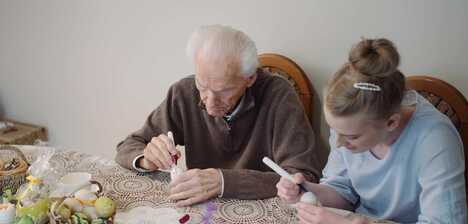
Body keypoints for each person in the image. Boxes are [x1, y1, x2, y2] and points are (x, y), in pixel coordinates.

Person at [276, 38, 467, 224]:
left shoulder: (434, 138)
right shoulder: (348, 125)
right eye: (334, 131)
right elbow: (342, 191)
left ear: (391, 123)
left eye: (351, 137)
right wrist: (306, 190)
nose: (339, 143)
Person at [116, 24, 320, 206]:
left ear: (249, 78)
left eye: (223, 90)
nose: (210, 102)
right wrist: (147, 159)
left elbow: (303, 177)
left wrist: (223, 181)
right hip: (202, 210)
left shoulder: (279, 96)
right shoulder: (183, 92)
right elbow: (127, 146)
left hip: (264, 213)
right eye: (202, 85)